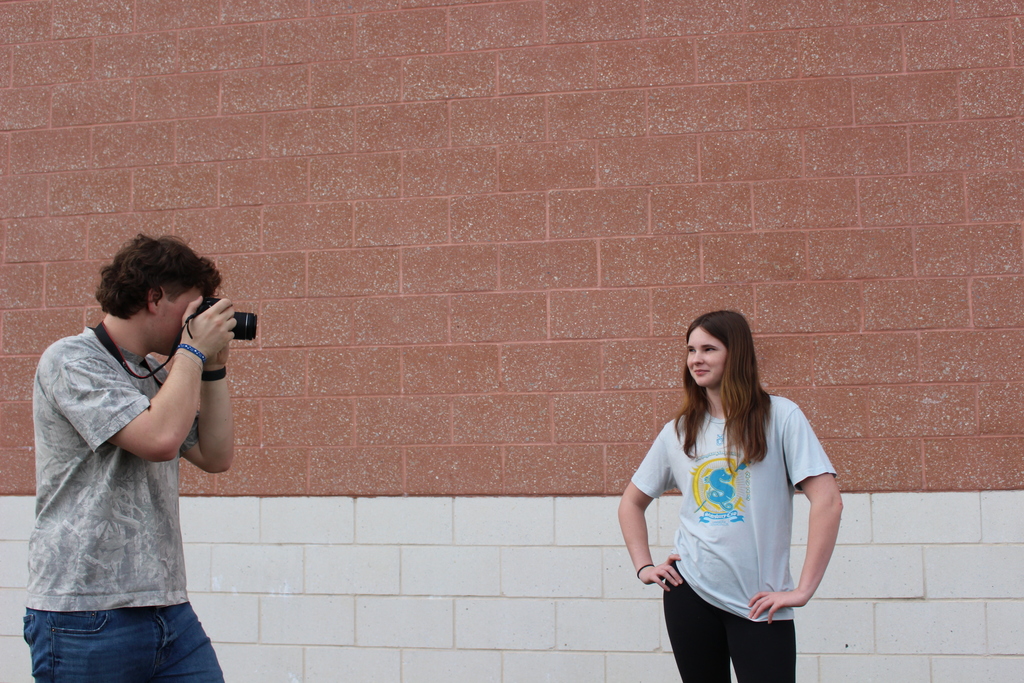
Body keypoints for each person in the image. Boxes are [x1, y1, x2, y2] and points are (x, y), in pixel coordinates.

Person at [23, 234, 239, 683]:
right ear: (155, 297)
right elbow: (159, 439)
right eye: (193, 311)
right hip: (85, 614)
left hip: (166, 609)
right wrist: (193, 351)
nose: (196, 323)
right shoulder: (71, 361)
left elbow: (215, 456)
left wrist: (212, 366)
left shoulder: (154, 372)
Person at [618, 310, 842, 683]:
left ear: (735, 354)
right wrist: (644, 566)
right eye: (691, 349)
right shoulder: (679, 430)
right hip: (689, 593)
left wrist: (802, 590)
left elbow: (828, 501)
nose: (696, 359)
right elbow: (631, 503)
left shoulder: (781, 416)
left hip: (760, 603)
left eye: (709, 348)